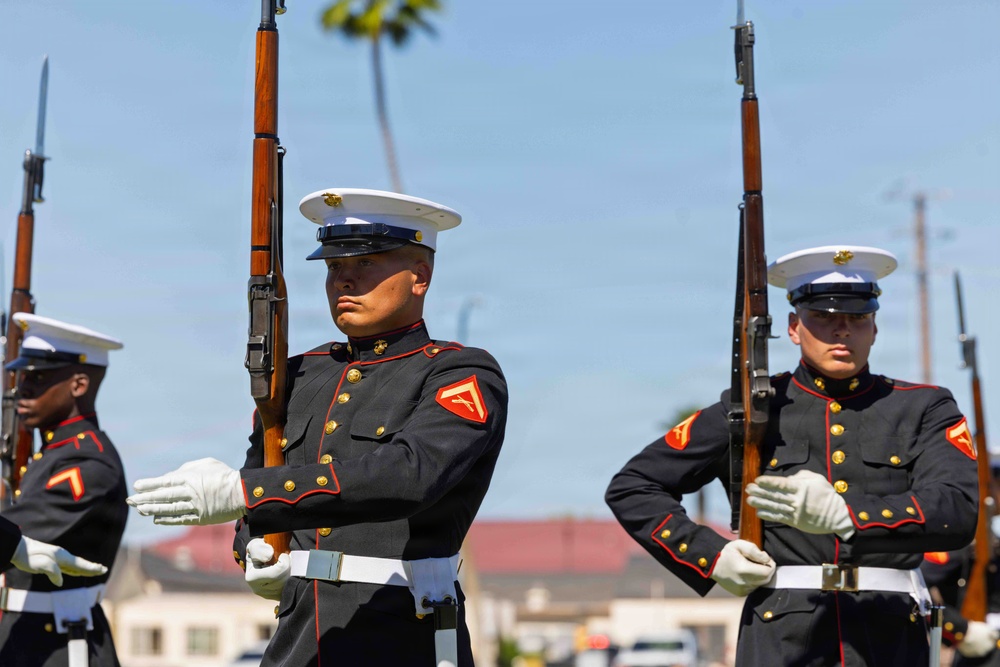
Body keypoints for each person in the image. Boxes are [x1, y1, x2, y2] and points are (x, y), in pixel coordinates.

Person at [128, 188, 508, 667]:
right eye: (333, 268)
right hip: (301, 635)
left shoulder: (458, 373)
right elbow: (264, 472)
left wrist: (243, 493)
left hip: (403, 631)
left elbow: (409, 476)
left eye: (366, 264)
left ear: (420, 277)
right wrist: (255, 549)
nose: (344, 279)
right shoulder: (300, 374)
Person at [606, 245, 979, 666]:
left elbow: (958, 510)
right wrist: (712, 555)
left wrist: (848, 516)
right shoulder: (749, 410)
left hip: (889, 633)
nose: (841, 330)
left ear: (874, 328)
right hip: (781, 635)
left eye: (857, 318)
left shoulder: (923, 407)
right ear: (794, 327)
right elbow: (634, 486)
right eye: (822, 316)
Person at [0, 313, 127, 667]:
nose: (22, 387)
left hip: (59, 644)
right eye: (22, 375)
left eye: (38, 377)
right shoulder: (51, 454)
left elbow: (20, 529)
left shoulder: (88, 464)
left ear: (79, 385)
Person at [921, 461, 1000, 665]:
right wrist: (962, 630)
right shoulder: (964, 543)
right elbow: (918, 582)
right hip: (984, 653)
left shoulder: (994, 541)